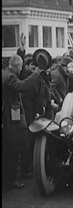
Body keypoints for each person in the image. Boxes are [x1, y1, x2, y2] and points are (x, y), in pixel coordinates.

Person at [2, 55, 42, 189]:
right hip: (9, 120)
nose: (21, 71)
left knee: (11, 150)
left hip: (10, 117)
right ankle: (11, 180)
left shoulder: (6, 74)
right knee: (13, 150)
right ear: (17, 66)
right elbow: (23, 86)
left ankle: (11, 178)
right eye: (20, 68)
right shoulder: (10, 77)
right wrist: (36, 74)